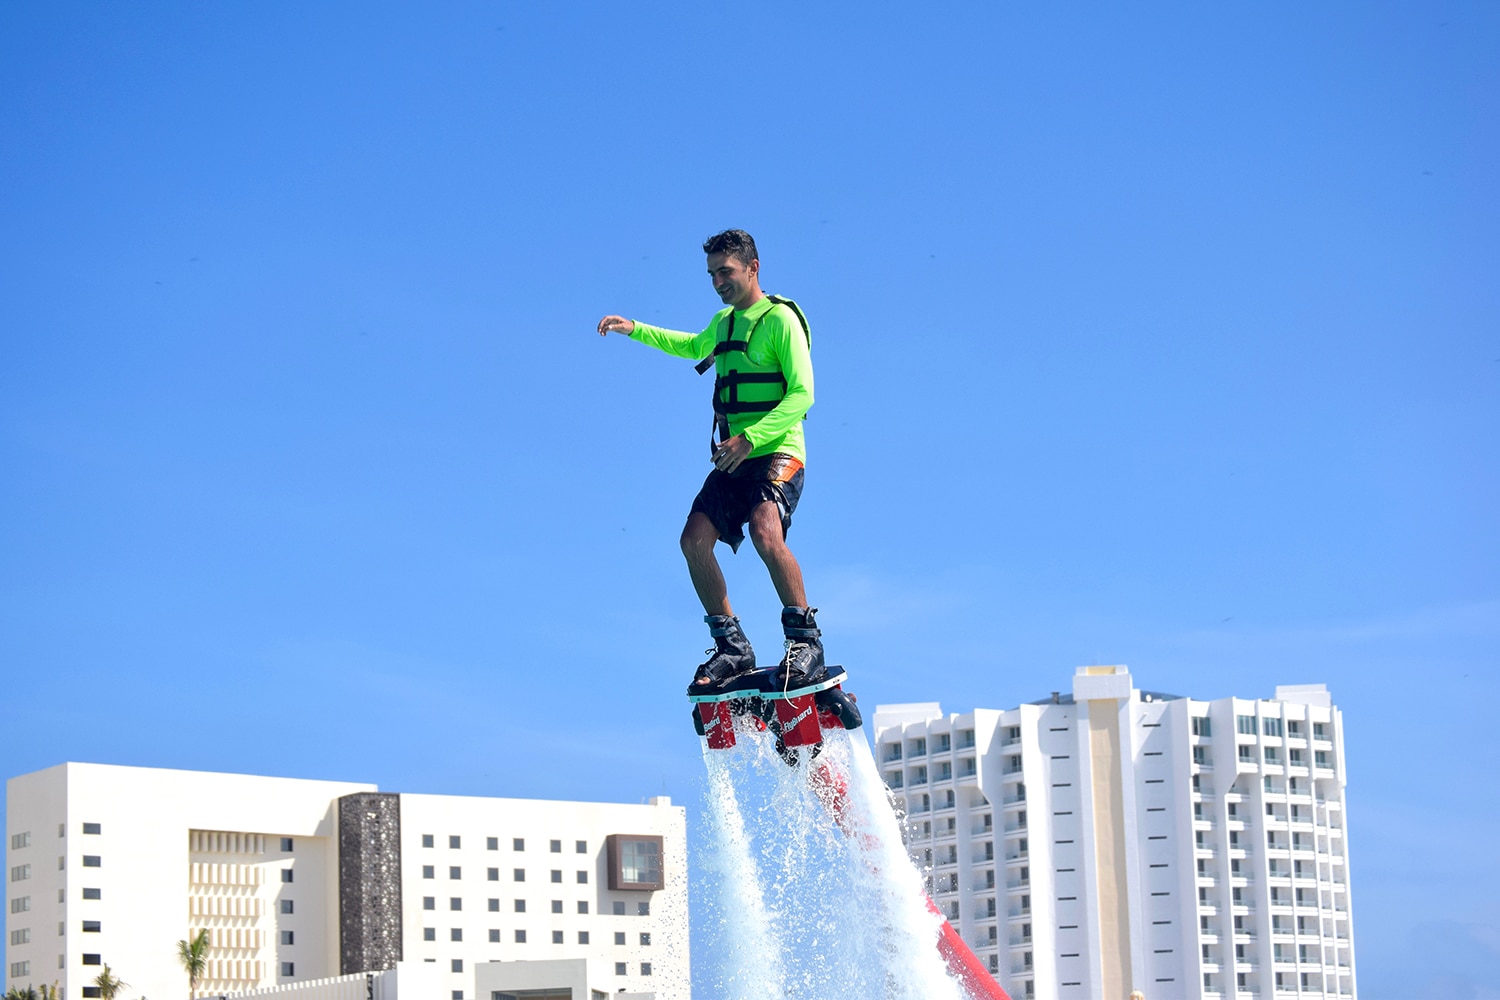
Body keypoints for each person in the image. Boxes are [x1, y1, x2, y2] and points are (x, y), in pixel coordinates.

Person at [597, 229, 829, 694]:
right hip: (735, 457)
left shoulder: (780, 321)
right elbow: (691, 346)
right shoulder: (723, 323)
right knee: (693, 540)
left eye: (726, 271)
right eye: (711, 274)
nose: (718, 281)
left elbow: (804, 393)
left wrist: (751, 437)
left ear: (752, 267)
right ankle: (732, 645)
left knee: (766, 532)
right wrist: (635, 328)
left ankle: (805, 642)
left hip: (778, 450)